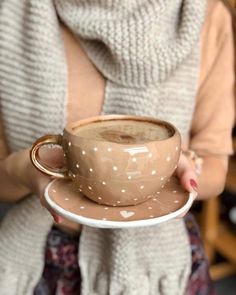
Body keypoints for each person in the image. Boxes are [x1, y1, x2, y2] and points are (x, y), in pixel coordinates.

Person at [0, 0, 235, 294]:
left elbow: (214, 165)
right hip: (37, 259)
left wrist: (174, 170)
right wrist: (24, 168)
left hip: (156, 263)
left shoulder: (206, 15)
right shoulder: (12, 13)